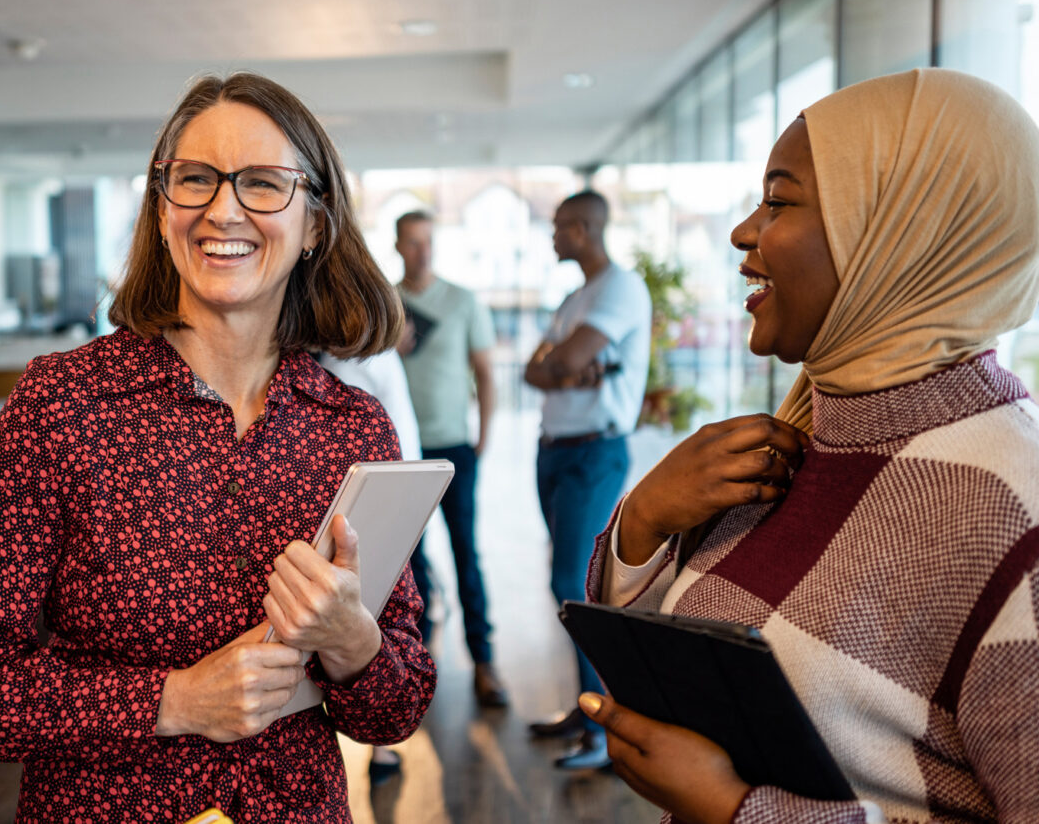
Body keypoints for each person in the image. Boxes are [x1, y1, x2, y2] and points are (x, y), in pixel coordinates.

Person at [0, 73, 436, 823]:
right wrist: (174, 700)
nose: (223, 208)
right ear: (163, 210)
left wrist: (352, 640)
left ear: (316, 223)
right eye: (195, 179)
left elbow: (396, 711)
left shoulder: (353, 428)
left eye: (263, 183)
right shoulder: (61, 404)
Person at [576, 69, 1039, 823]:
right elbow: (680, 658)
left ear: (899, 233)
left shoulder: (1009, 510)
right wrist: (645, 520)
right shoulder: (800, 436)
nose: (742, 232)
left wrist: (739, 812)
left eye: (780, 201)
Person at [522, 191, 650, 769]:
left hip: (593, 452)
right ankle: (587, 706)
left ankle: (606, 729)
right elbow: (536, 369)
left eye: (556, 227)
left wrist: (561, 366)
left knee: (574, 582)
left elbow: (564, 363)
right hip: (554, 451)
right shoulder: (576, 297)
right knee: (569, 581)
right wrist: (558, 365)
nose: (551, 237)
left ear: (582, 227)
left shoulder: (620, 287)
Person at [394, 210, 509, 707]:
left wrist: (483, 436)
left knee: (466, 553)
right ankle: (417, 666)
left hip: (453, 446)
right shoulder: (385, 304)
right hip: (399, 453)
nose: (423, 251)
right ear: (398, 246)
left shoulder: (462, 302)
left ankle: (485, 662)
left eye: (429, 242)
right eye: (414, 243)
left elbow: (484, 371)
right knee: (409, 562)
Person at [316, 347, 423, 785]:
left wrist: (405, 514)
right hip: (355, 500)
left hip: (384, 497)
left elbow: (402, 440)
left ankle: (381, 754)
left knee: (376, 612)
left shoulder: (368, 370)